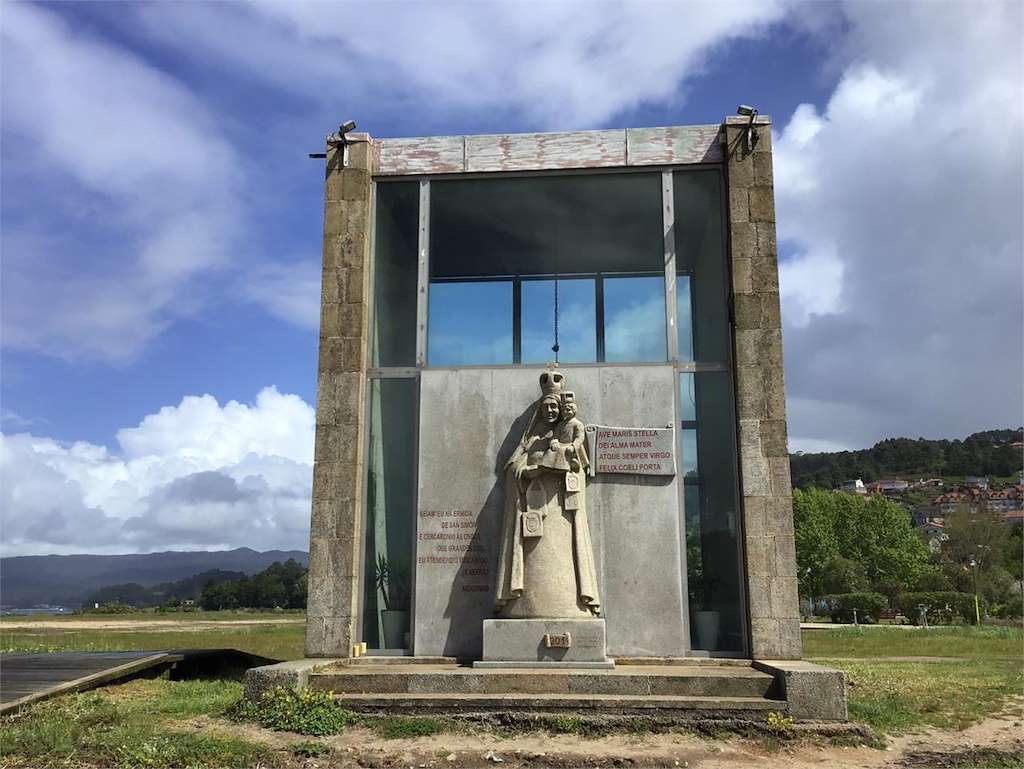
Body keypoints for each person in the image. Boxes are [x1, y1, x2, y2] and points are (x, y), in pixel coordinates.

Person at [494, 370, 600, 618]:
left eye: (555, 407)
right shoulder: (531, 439)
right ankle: (525, 607)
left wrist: (566, 464)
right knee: (536, 563)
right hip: (534, 510)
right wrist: (528, 471)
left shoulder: (571, 432)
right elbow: (513, 468)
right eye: (547, 407)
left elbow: (581, 467)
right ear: (540, 410)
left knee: (563, 563)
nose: (551, 411)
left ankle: (570, 606)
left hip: (563, 511)